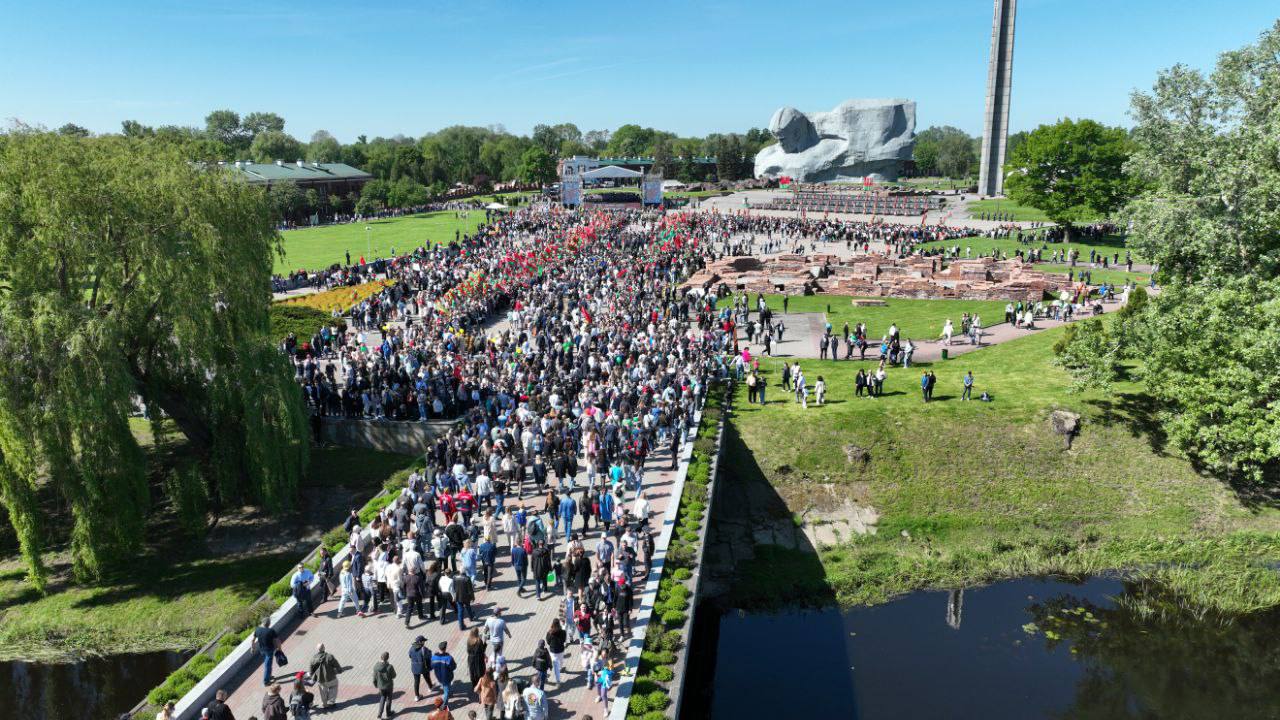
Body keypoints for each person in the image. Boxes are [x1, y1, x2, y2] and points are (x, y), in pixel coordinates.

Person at [309, 643, 341, 709]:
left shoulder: (313, 659)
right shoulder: (329, 656)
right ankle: (331, 702)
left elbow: (311, 671)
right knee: (334, 687)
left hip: (320, 680)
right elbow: (336, 665)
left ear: (317, 649)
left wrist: (312, 677)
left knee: (323, 692)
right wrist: (339, 670)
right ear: (324, 648)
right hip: (331, 677)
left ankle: (325, 704)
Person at [251, 618, 279, 687]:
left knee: (268, 664)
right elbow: (276, 641)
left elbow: (252, 640)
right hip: (269, 650)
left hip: (262, 650)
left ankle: (269, 676)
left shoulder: (257, 629)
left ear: (262, 623)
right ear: (269, 623)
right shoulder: (271, 631)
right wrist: (278, 648)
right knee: (268, 666)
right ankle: (266, 682)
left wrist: (252, 648)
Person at [431, 641, 458, 705]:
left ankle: (450, 693)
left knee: (445, 686)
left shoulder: (434, 657)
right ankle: (444, 705)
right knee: (446, 692)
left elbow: (431, 666)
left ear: (439, 648)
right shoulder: (448, 658)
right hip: (447, 677)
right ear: (445, 648)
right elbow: (453, 667)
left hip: (438, 676)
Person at [409, 635, 434, 701]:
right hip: (423, 667)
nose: (424, 642)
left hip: (414, 667)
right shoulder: (423, 649)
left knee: (416, 682)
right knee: (426, 677)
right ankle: (430, 687)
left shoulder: (411, 648)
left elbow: (410, 655)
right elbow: (428, 656)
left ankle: (417, 696)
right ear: (420, 642)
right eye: (423, 641)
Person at [373, 651, 397, 719]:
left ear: (381, 657)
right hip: (389, 686)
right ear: (388, 658)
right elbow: (394, 676)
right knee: (389, 699)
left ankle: (379, 714)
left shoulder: (376, 666)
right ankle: (388, 713)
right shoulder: (390, 667)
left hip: (381, 686)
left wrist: (376, 684)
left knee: (382, 698)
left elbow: (374, 677)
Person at [545, 618, 567, 684]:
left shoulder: (549, 633)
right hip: (560, 650)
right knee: (561, 661)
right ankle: (561, 668)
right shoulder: (563, 632)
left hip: (553, 651)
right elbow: (564, 640)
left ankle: (558, 680)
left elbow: (548, 641)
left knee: (555, 666)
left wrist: (552, 645)